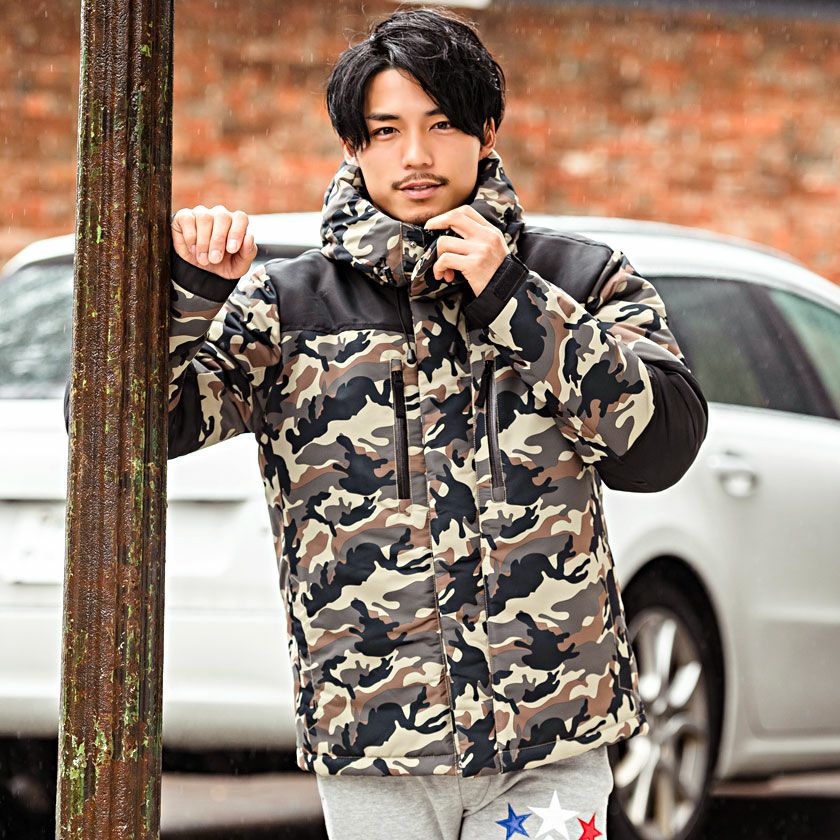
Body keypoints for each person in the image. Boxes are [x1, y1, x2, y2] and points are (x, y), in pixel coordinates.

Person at [167, 9, 707, 839]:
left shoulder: (580, 277)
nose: (415, 156)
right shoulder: (289, 305)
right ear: (353, 146)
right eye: (386, 131)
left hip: (550, 743)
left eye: (442, 124)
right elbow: (131, 435)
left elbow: (659, 446)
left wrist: (512, 299)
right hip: (379, 743)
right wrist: (189, 296)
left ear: (487, 133)